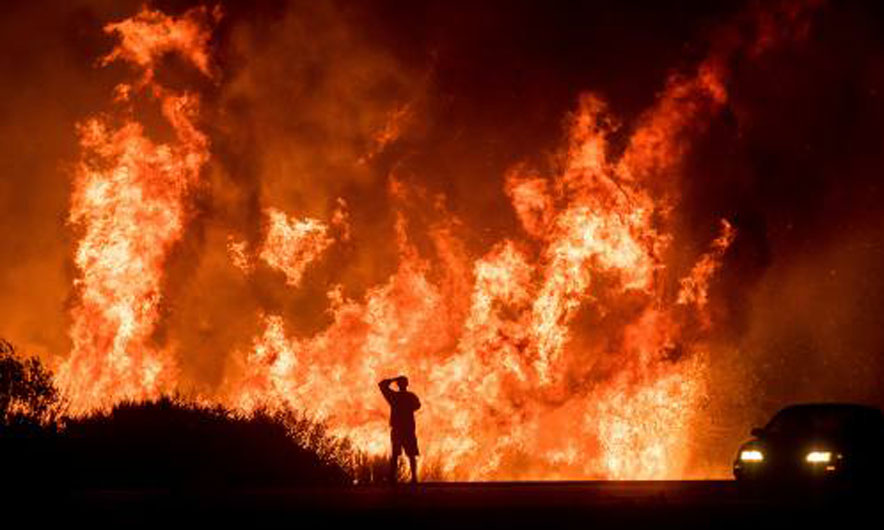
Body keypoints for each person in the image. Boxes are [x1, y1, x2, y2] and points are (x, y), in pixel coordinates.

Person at [378, 375, 421, 484]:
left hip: (398, 429)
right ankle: (414, 479)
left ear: (398, 384)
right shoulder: (411, 396)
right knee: (411, 455)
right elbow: (417, 406)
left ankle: (392, 479)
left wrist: (393, 379)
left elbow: (382, 385)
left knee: (395, 455)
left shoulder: (393, 396)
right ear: (407, 384)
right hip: (408, 429)